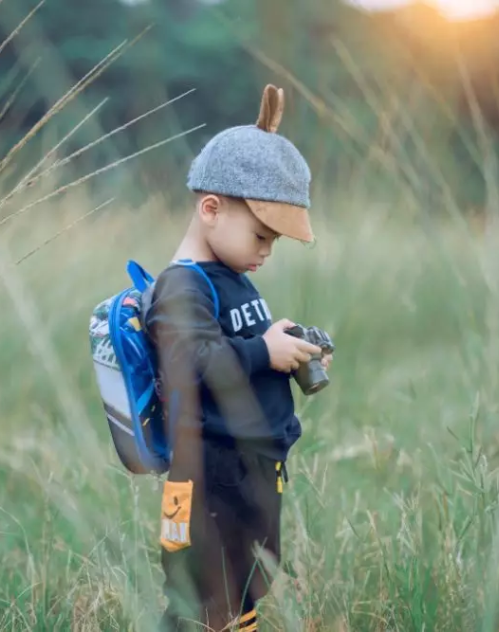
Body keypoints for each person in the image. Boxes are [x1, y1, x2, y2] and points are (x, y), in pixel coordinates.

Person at [143, 84, 333, 632]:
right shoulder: (182, 284)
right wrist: (262, 350)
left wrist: (281, 342)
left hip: (247, 470)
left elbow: (233, 344)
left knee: (244, 584)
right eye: (261, 235)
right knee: (203, 597)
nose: (267, 251)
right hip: (209, 474)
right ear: (210, 209)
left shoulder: (228, 276)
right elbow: (196, 360)